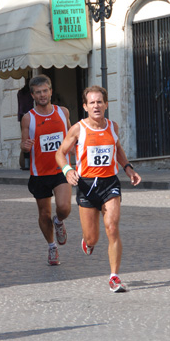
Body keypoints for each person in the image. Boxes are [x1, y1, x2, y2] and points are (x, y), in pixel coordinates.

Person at [56, 85, 141, 293]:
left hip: (109, 183)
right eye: (92, 102)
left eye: (99, 101)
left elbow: (117, 149)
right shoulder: (78, 129)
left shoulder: (113, 127)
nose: (96, 105)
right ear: (85, 106)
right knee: (92, 237)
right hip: (86, 186)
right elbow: (60, 153)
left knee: (112, 227)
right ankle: (88, 241)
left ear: (106, 104)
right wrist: (67, 170)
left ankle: (114, 277)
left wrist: (128, 168)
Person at [20, 74, 72, 266]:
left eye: (45, 91)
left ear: (50, 91)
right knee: (44, 214)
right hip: (39, 173)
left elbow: (70, 135)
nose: (42, 95)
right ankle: (52, 247)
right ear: (32, 95)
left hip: (61, 169)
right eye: (38, 92)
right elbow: (24, 144)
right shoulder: (28, 118)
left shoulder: (62, 112)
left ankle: (59, 222)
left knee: (64, 207)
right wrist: (25, 146)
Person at [17, 77, 34, 170]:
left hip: (22, 117)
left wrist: (20, 117)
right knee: (30, 140)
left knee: (26, 140)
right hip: (31, 116)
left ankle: (27, 163)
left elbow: (19, 106)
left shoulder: (20, 92)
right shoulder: (30, 93)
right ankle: (27, 163)